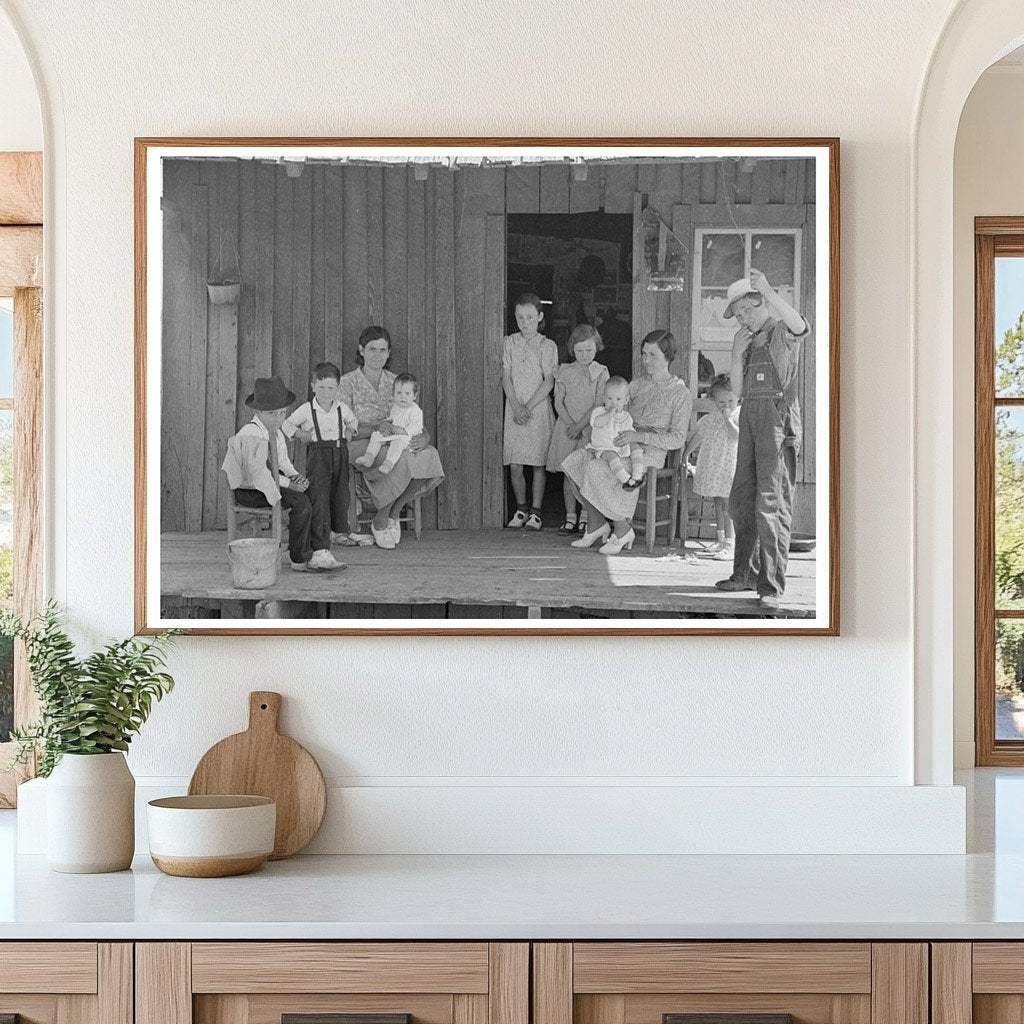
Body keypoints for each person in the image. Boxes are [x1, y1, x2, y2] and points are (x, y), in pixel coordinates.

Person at [714, 268, 811, 611]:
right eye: (738, 315)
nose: (743, 318)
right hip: (750, 421)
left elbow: (800, 326)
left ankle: (771, 586)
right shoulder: (748, 340)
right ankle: (744, 573)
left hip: (776, 423)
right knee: (741, 500)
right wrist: (735, 354)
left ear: (763, 303)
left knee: (771, 504)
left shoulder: (782, 331)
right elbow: (738, 391)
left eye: (747, 310)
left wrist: (768, 289)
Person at [561, 329, 692, 556]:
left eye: (653, 355)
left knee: (596, 468)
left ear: (668, 357)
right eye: (644, 354)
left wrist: (637, 437)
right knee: (575, 462)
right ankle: (596, 523)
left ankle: (622, 530)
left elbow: (677, 438)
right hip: (619, 443)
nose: (646, 360)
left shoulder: (680, 393)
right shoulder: (636, 386)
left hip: (649, 452)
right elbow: (617, 413)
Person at [221, 375, 345, 572]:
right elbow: (259, 472)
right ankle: (299, 558)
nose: (278, 419)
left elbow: (283, 463)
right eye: (272, 414)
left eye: (282, 413)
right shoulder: (250, 433)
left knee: (315, 493)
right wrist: (290, 485)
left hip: (273, 483)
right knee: (300, 502)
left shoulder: (277, 432)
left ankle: (319, 551)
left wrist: (296, 476)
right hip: (251, 489)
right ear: (257, 411)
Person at [339, 326, 445, 550]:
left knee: (428, 455)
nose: (377, 354)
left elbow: (415, 418)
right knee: (399, 457)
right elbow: (342, 427)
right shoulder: (347, 382)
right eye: (372, 349)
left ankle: (394, 512)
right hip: (361, 443)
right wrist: (376, 427)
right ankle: (381, 520)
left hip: (397, 439)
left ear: (388, 353)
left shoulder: (397, 382)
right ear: (361, 350)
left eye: (382, 350)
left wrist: (425, 438)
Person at [282, 361, 373, 551]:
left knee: (341, 494)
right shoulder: (306, 409)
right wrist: (301, 435)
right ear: (313, 386)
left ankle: (339, 533)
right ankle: (319, 536)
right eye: (321, 387)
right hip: (318, 455)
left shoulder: (341, 408)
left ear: (337, 388)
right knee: (318, 494)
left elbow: (353, 421)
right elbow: (287, 425)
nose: (326, 392)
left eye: (330, 388)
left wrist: (350, 430)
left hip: (339, 452)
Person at [502, 292, 558, 530]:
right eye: (520, 317)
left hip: (537, 408)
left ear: (540, 317)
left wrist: (528, 407)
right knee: (515, 463)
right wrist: (516, 406)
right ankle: (521, 509)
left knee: (537, 463)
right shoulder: (509, 342)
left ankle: (536, 512)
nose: (524, 322)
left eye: (530, 317)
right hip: (514, 408)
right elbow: (505, 376)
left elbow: (549, 381)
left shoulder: (547, 345)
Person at [546, 324, 609, 534]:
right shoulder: (564, 371)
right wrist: (571, 425)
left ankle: (585, 517)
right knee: (569, 473)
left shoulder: (601, 372)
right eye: (580, 350)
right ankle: (570, 516)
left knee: (587, 473)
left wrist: (581, 426)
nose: (584, 354)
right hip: (567, 429)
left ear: (597, 347)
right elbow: (558, 401)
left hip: (590, 429)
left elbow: (599, 403)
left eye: (589, 350)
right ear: (572, 348)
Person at [681, 374, 740, 561]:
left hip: (729, 466)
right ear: (713, 401)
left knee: (728, 505)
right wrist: (686, 453)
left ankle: (730, 543)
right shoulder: (709, 419)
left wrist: (727, 419)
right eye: (721, 402)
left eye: (730, 401)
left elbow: (736, 436)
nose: (726, 405)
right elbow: (698, 436)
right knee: (718, 502)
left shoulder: (739, 415)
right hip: (713, 467)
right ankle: (720, 539)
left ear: (737, 398)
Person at [353, 372, 423, 475]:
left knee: (397, 444)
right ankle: (369, 457)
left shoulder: (415, 411)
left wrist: (405, 430)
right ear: (393, 393)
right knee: (376, 435)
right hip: (393, 434)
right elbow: (392, 419)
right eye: (399, 393)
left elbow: (417, 426)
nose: (402, 397)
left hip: (406, 438)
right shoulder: (395, 407)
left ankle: (388, 464)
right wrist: (387, 424)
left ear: (414, 395)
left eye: (407, 393)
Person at [585, 377, 645, 489]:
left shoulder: (626, 416)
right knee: (612, 457)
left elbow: (630, 432)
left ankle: (637, 476)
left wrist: (631, 439)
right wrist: (610, 414)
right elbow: (596, 423)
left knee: (636, 447)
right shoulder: (599, 411)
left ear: (626, 400)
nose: (614, 403)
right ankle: (626, 479)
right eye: (609, 398)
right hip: (605, 447)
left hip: (621, 445)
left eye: (618, 399)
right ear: (603, 398)